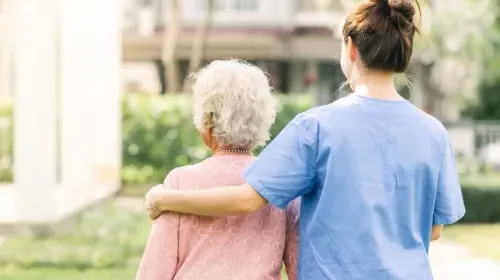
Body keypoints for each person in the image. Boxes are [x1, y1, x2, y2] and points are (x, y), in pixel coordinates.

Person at [144, 0, 466, 279]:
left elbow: (247, 200)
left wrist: (167, 199)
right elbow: (434, 229)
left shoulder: (316, 127)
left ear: (351, 48)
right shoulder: (433, 132)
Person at [136, 59, 299, 280]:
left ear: (207, 120)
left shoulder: (179, 183)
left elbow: (154, 272)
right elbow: (299, 267)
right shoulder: (281, 184)